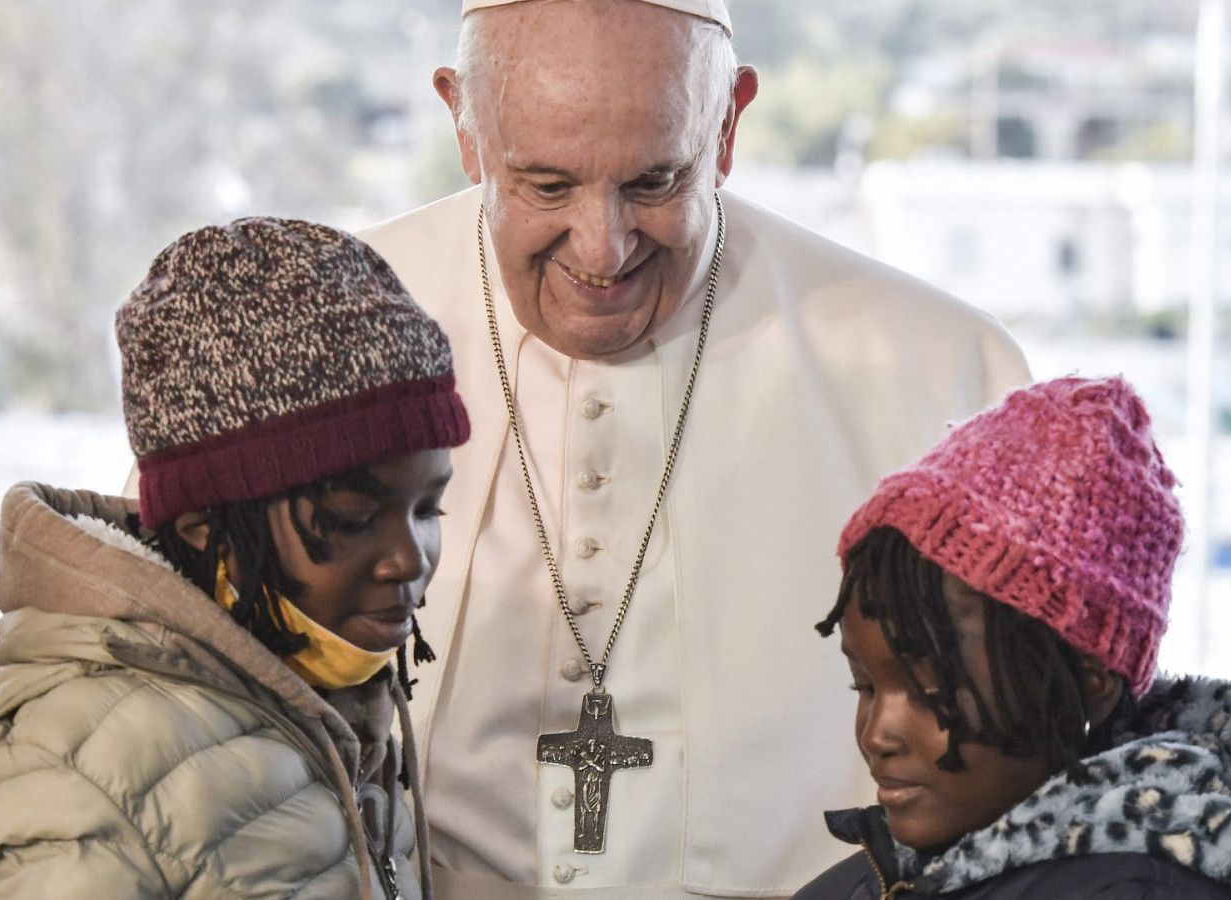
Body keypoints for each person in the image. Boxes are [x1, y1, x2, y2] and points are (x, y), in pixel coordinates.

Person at [356, 0, 1031, 896]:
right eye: (547, 186)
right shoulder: (327, 328)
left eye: (653, 182)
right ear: (463, 124)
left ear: (727, 125)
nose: (602, 249)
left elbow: (1034, 760)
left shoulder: (939, 370)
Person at [0, 218, 470, 899]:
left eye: (428, 509)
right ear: (205, 525)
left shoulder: (334, 717)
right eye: (353, 518)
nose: (409, 558)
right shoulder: (86, 791)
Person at [795, 376, 1231, 899]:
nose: (877, 734)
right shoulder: (900, 866)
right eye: (864, 687)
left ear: (1090, 680)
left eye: (928, 690)